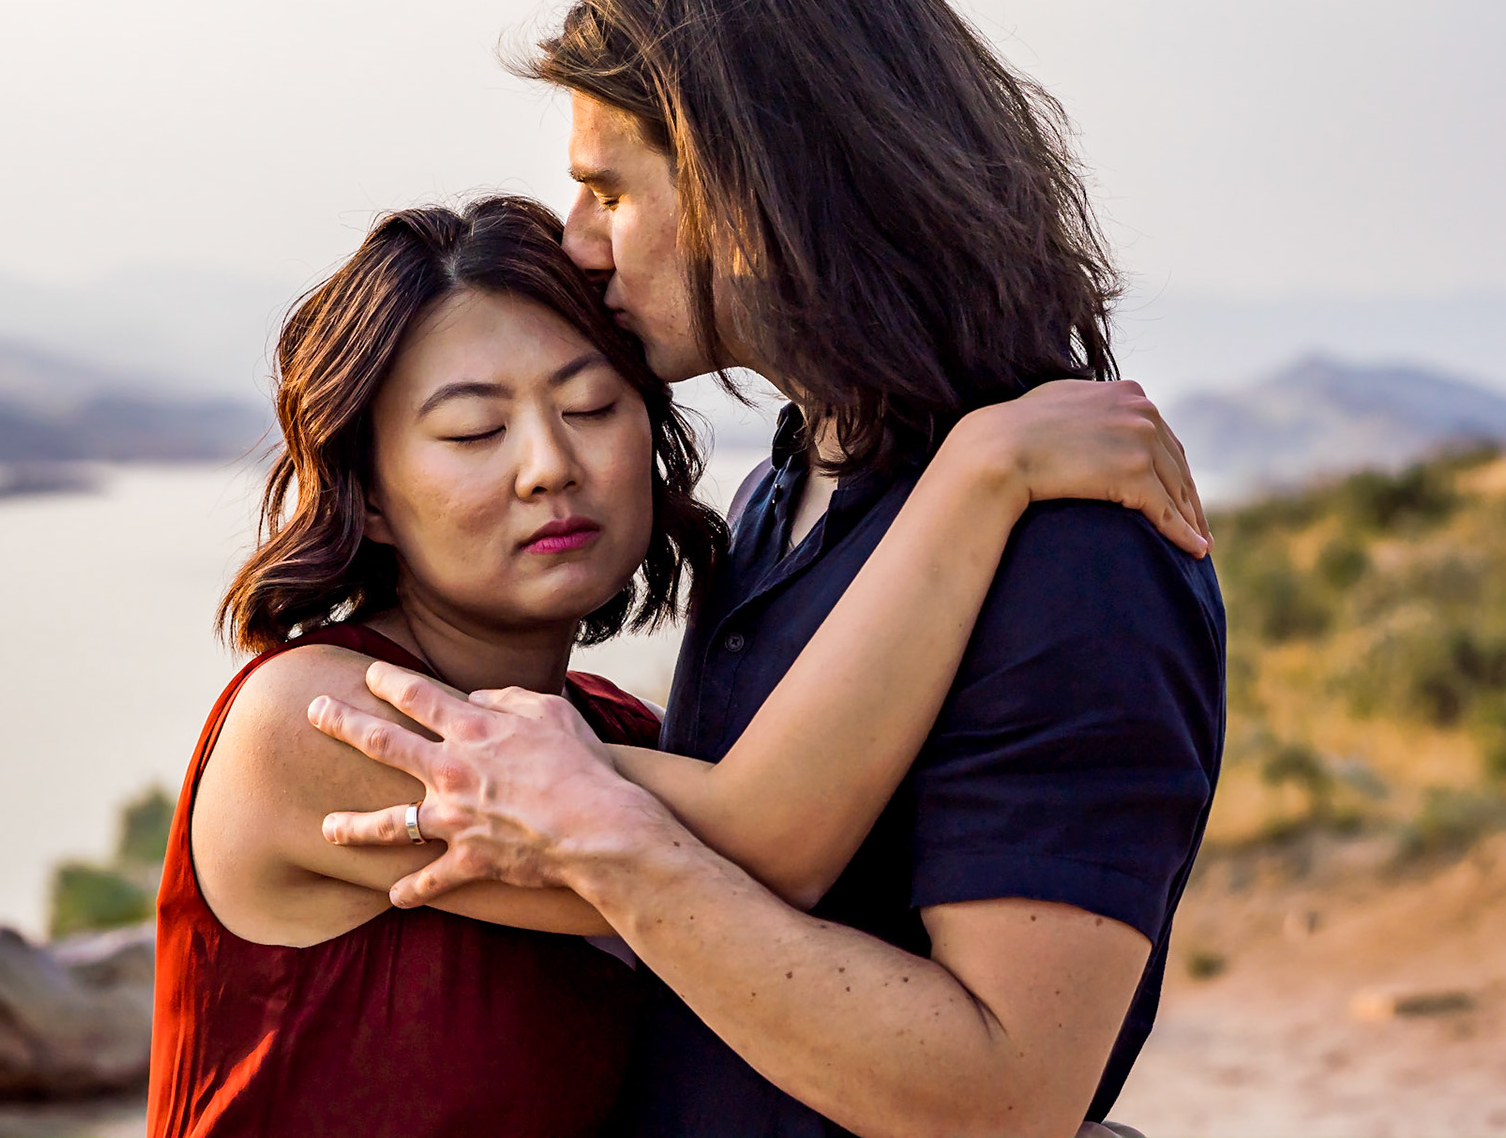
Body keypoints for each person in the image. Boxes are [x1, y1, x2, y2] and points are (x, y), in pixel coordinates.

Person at [311, 0, 1226, 1138]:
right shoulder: (784, 488)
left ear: (761, 183)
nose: (580, 245)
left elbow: (1009, 1094)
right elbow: (764, 853)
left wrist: (608, 842)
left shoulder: (1072, 543)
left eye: (609, 191)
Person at [147, 195, 1206, 1136]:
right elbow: (769, 838)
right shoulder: (325, 720)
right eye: (473, 430)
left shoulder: (610, 737)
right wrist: (986, 469)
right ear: (368, 496)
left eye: (593, 408)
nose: (550, 463)